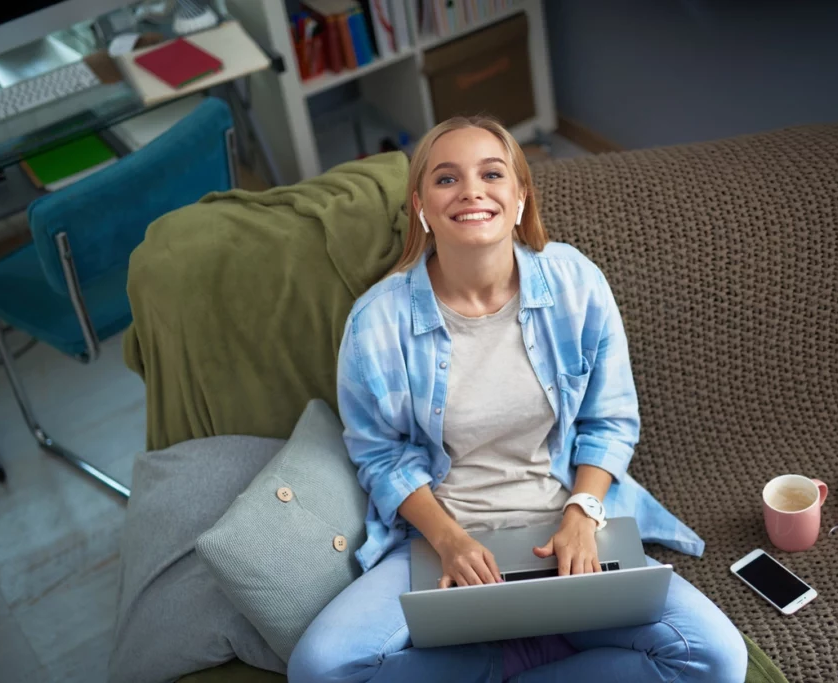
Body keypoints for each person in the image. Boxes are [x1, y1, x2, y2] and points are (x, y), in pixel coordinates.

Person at [288, 116, 748, 683]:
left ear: (520, 194)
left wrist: (583, 514)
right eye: (447, 179)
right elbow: (379, 456)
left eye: (491, 173)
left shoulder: (576, 283)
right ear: (421, 207)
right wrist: (449, 540)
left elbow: (609, 421)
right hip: (441, 541)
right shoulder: (376, 323)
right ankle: (518, 657)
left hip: (565, 532)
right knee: (320, 668)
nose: (472, 191)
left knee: (718, 658)